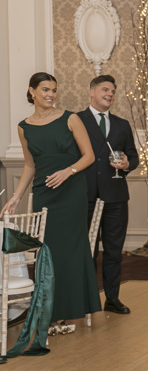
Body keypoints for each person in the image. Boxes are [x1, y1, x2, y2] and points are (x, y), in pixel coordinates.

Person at [1, 72, 100, 335]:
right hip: (44, 194)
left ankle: (69, 312)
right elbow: (29, 164)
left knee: (68, 252)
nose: (50, 95)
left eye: (54, 90)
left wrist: (69, 171)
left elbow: (89, 156)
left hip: (71, 193)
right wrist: (16, 197)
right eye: (45, 89)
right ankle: (51, 314)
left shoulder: (71, 119)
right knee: (48, 253)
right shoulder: (24, 127)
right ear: (32, 91)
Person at [76, 75, 140, 315]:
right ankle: (88, 300)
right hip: (87, 195)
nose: (110, 94)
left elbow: (133, 157)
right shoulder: (76, 121)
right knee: (88, 251)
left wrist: (126, 165)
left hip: (116, 197)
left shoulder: (122, 125)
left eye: (113, 91)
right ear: (91, 92)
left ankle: (112, 298)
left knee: (114, 251)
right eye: (105, 90)